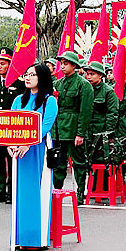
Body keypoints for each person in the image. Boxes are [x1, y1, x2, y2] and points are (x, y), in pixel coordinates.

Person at [9, 64, 58, 250]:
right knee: (21, 193)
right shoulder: (18, 100)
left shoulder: (49, 101)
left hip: (39, 150)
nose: (27, 78)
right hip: (19, 152)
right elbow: (10, 124)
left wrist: (28, 143)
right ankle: (21, 239)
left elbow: (46, 125)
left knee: (38, 193)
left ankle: (38, 240)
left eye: (32, 75)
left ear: (42, 78)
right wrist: (11, 144)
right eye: (26, 74)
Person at [51, 51, 94, 202]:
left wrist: (80, 133)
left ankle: (80, 193)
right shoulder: (58, 83)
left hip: (74, 128)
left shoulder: (84, 85)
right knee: (58, 164)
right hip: (58, 129)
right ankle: (56, 192)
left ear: (74, 66)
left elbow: (85, 111)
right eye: (61, 63)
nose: (62, 66)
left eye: (66, 64)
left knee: (79, 163)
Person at [0, 48, 24, 203]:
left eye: (3, 64)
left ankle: (11, 192)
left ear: (10, 65)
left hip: (12, 129)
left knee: (11, 160)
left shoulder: (19, 84)